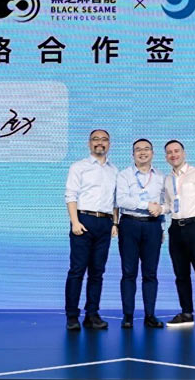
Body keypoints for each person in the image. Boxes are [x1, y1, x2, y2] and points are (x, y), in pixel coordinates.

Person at [64, 129, 119, 330]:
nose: (100, 143)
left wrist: (115, 223)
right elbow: (71, 195)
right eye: (96, 139)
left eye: (104, 139)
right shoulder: (79, 167)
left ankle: (92, 314)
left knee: (97, 272)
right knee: (77, 270)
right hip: (83, 220)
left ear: (109, 144)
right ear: (89, 143)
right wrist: (75, 222)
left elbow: (115, 201)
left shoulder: (114, 170)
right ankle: (72, 316)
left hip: (105, 223)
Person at [163, 140, 195, 330]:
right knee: (181, 274)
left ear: (184, 153)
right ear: (166, 157)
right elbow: (169, 206)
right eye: (169, 152)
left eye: (176, 151)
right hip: (176, 228)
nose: (173, 155)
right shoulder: (167, 179)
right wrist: (157, 209)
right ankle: (186, 313)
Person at [115, 139, 165, 329]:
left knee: (150, 273)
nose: (142, 152)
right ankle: (128, 315)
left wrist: (162, 227)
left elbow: (162, 204)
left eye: (146, 149)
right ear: (133, 154)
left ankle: (150, 315)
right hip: (130, 224)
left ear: (152, 153)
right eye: (138, 150)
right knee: (129, 272)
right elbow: (121, 200)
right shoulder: (124, 175)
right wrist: (146, 205)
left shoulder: (161, 176)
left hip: (153, 226)